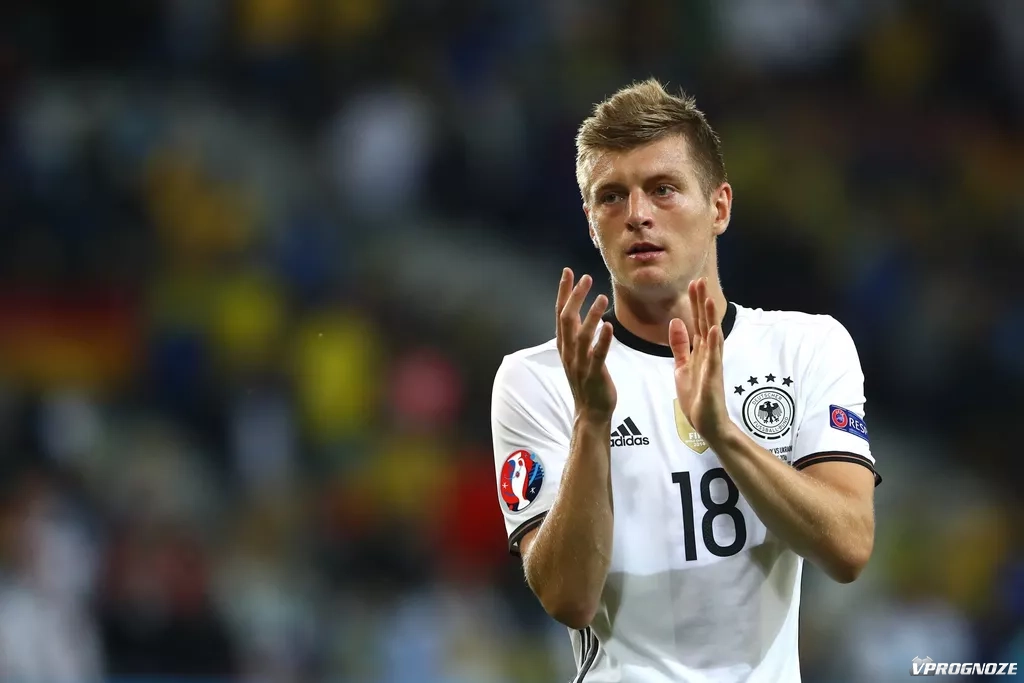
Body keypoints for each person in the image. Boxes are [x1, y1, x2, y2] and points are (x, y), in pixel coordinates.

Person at [490, 79, 880, 682]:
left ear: (719, 207)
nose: (637, 215)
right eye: (611, 197)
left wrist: (724, 435)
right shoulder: (538, 380)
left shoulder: (807, 347)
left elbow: (849, 548)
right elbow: (568, 599)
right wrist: (591, 422)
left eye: (663, 189)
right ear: (591, 223)